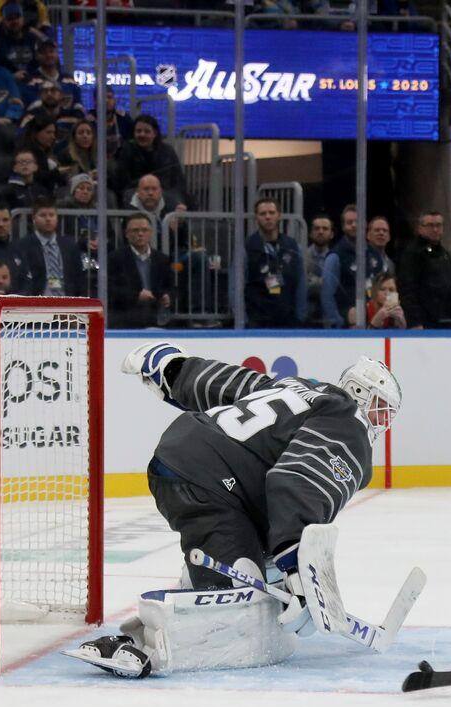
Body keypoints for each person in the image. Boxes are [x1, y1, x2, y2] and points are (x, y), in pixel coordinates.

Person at [74, 343, 401, 677]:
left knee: (256, 566)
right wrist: (299, 569)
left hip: (183, 453)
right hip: (212, 478)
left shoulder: (296, 388)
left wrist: (174, 370)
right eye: (382, 408)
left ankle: (189, 594)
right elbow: (297, 481)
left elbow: (230, 382)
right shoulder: (350, 423)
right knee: (246, 607)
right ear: (360, 393)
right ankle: (146, 648)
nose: (383, 421)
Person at [321, 210, 391, 328]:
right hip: (347, 325)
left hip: (374, 322)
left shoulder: (375, 255)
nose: (354, 225)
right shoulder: (335, 256)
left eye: (357, 221)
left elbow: (386, 288)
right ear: (343, 227)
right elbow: (327, 295)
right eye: (349, 222)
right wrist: (338, 321)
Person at [244, 197, 305, 328]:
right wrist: (244, 320)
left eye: (272, 213)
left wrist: (300, 316)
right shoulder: (246, 247)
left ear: (279, 216)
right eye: (263, 214)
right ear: (256, 218)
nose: (268, 217)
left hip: (288, 319)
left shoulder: (292, 246)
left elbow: (301, 283)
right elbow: (236, 286)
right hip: (257, 321)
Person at [107, 213, 172, 328]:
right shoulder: (115, 258)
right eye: (135, 230)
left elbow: (170, 286)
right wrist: (136, 296)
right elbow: (110, 289)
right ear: (127, 234)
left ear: (151, 233)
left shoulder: (162, 259)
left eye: (144, 230)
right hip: (125, 316)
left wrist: (168, 296)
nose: (140, 234)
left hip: (156, 316)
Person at [396, 210, 451, 329]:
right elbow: (407, 288)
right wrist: (415, 321)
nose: (435, 229)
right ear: (420, 228)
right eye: (430, 225)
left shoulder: (445, 254)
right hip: (425, 321)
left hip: (445, 319)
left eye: (438, 225)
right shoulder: (413, 253)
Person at [15, 196, 87, 296]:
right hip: (37, 299)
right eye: (43, 215)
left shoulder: (70, 245)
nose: (48, 219)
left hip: (67, 299)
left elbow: (79, 277)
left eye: (51, 215)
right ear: (34, 218)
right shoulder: (24, 246)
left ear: (57, 218)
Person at [111, 114, 186, 200]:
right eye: (138, 131)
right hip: (136, 194)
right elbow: (123, 182)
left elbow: (178, 180)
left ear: (155, 133)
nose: (142, 134)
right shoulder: (127, 150)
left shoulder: (167, 151)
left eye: (147, 131)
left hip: (163, 193)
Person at [304, 213, 334, 323]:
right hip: (305, 316)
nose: (320, 232)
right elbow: (303, 286)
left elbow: (335, 288)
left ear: (331, 234)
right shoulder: (301, 257)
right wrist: (324, 282)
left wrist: (312, 280)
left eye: (325, 229)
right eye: (317, 228)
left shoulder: (337, 258)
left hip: (329, 317)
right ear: (311, 233)